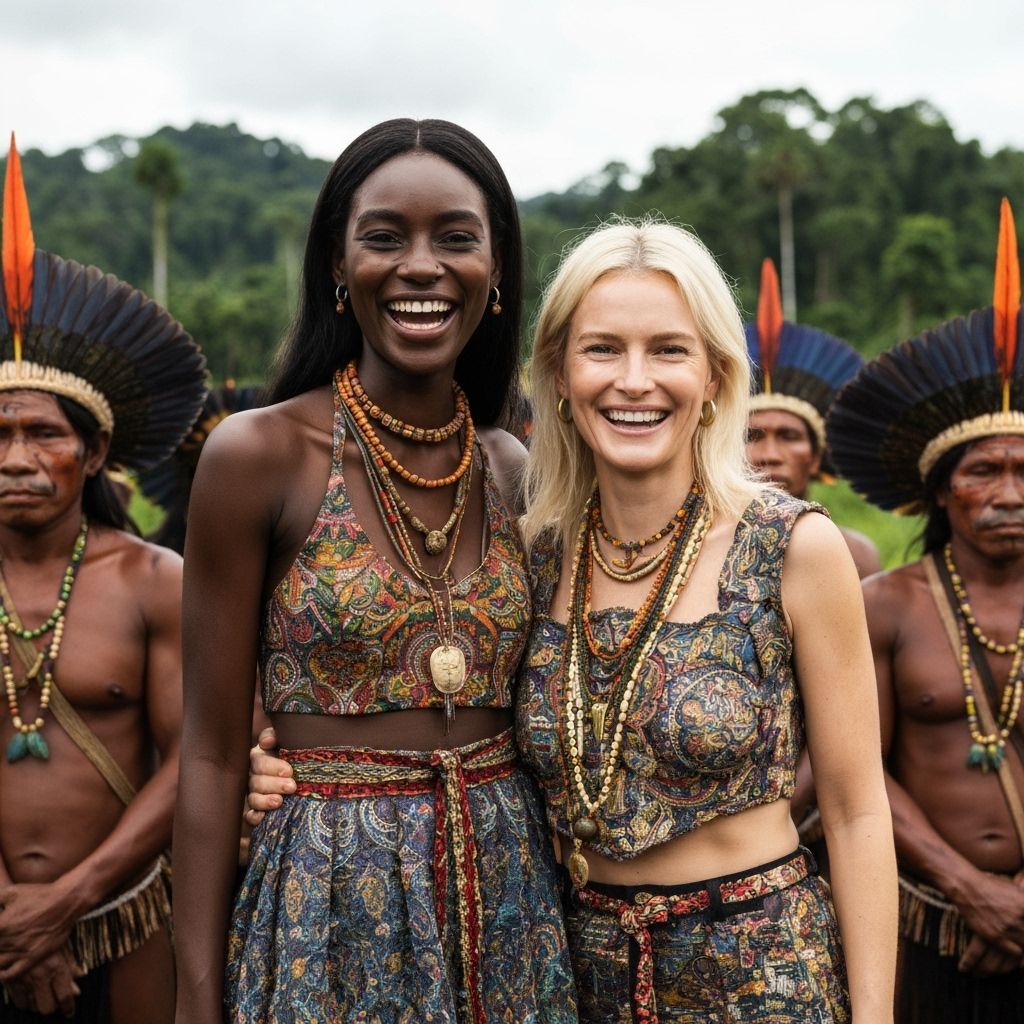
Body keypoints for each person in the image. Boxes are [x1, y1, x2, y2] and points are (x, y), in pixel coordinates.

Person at [172, 119, 576, 1024]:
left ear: (498, 269)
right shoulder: (261, 455)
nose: (422, 266)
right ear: (337, 267)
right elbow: (206, 753)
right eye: (385, 237)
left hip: (510, 902)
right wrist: (194, 998)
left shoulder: (514, 468)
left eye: (457, 238)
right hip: (325, 907)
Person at [514, 220, 895, 1022]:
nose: (634, 380)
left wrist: (875, 1017)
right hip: (575, 974)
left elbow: (857, 811)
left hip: (758, 974)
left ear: (717, 375)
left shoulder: (792, 546)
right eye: (603, 349)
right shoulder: (532, 553)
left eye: (669, 350)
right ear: (557, 372)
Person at [0, 139, 206, 1022]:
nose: (16, 458)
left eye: (43, 433)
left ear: (94, 453)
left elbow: (192, 758)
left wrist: (69, 899)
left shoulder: (157, 582)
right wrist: (16, 918)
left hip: (121, 924)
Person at [827, 197, 1024, 1022]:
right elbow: (857, 770)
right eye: (985, 470)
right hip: (932, 927)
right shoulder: (885, 607)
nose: (1009, 493)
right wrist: (969, 887)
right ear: (943, 490)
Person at [744, 258, 880, 579]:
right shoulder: (694, 554)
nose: (770, 456)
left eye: (789, 436)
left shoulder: (856, 557)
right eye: (751, 436)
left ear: (817, 457)